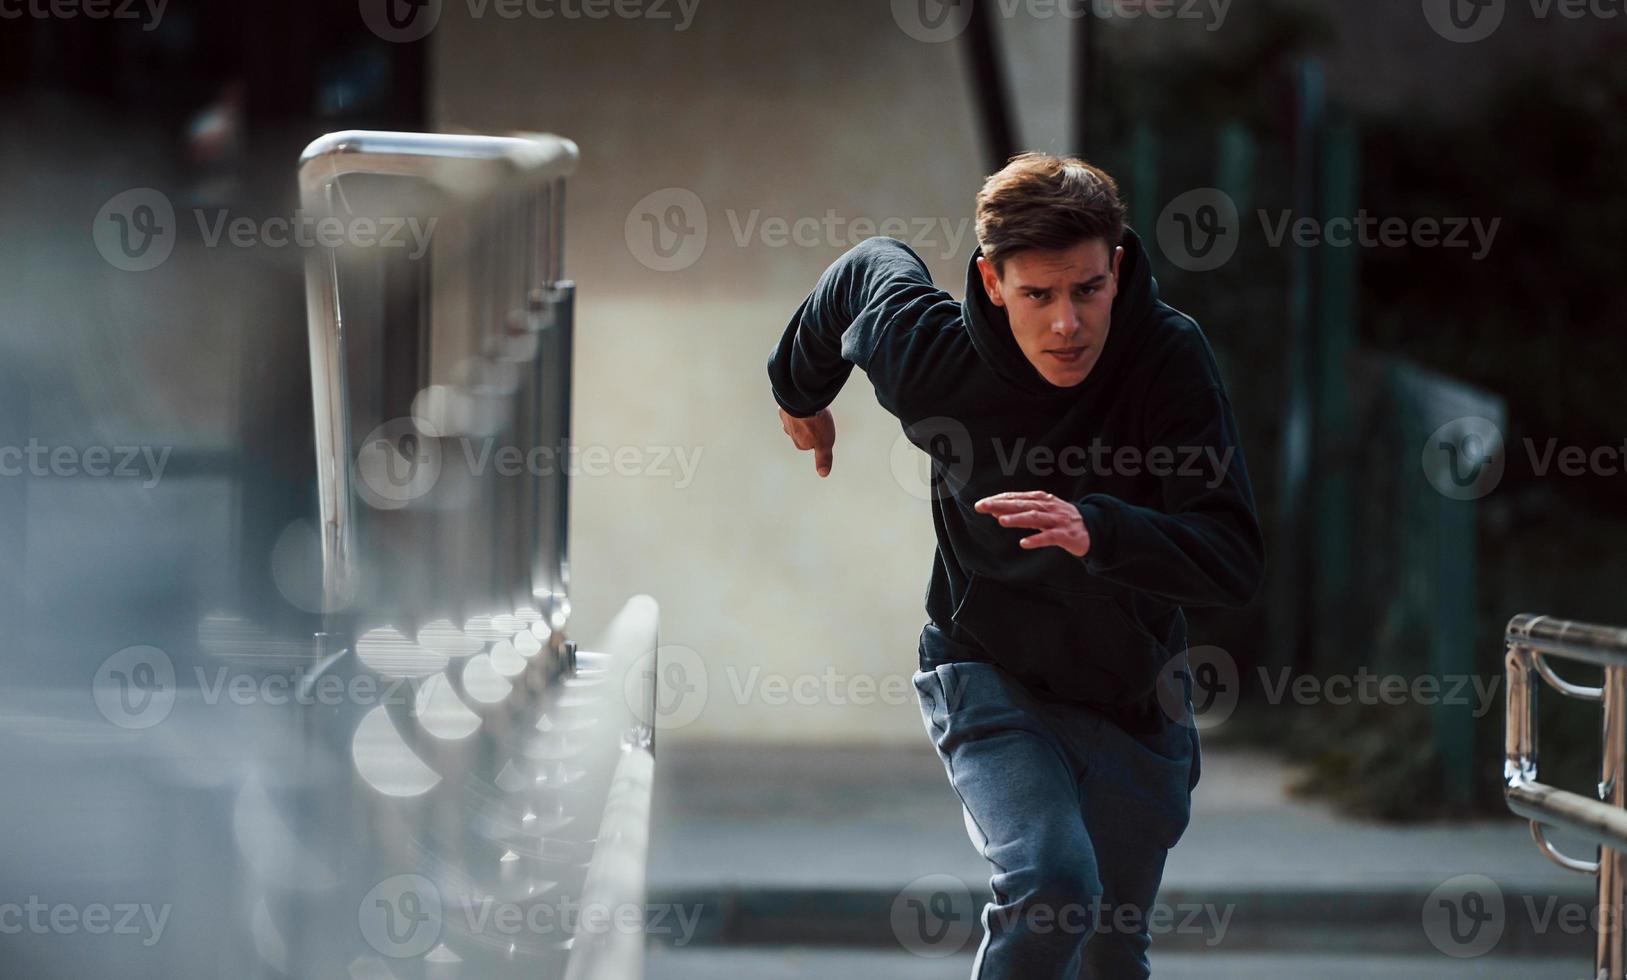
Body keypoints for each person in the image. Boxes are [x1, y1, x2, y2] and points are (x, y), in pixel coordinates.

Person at [765, 153, 1265, 978]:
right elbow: (864, 272)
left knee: (1108, 951)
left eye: (1088, 290)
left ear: (1118, 267)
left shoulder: (1167, 359)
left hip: (1133, 696)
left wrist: (1097, 531)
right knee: (1052, 887)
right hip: (986, 670)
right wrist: (797, 390)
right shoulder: (932, 354)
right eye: (1038, 295)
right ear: (993, 285)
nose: (1067, 324)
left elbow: (1231, 556)